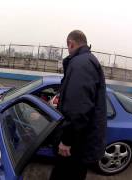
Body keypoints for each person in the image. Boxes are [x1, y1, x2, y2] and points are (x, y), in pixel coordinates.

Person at [49, 30, 107, 180]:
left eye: (67, 46)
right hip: (82, 142)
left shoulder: (81, 64)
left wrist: (67, 141)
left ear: (71, 43)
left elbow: (78, 109)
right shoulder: (88, 61)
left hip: (75, 146)